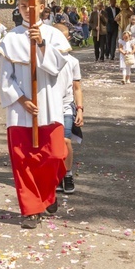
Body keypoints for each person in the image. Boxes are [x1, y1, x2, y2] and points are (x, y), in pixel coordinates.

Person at [0, 0, 70, 229]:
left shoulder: (54, 35)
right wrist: (21, 100)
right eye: (22, 7)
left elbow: (57, 67)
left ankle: (48, 193)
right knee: (23, 161)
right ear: (18, 9)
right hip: (20, 111)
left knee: (55, 155)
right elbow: (5, 78)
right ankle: (31, 209)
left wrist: (41, 44)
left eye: (32, 6)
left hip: (49, 105)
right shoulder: (10, 39)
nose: (27, 11)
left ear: (41, 7)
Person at [53, 23, 83, 195]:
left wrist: (79, 109)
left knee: (65, 141)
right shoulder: (43, 60)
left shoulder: (73, 62)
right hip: (48, 107)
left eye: (63, 38)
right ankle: (56, 174)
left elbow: (77, 87)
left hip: (65, 106)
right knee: (50, 143)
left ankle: (68, 174)